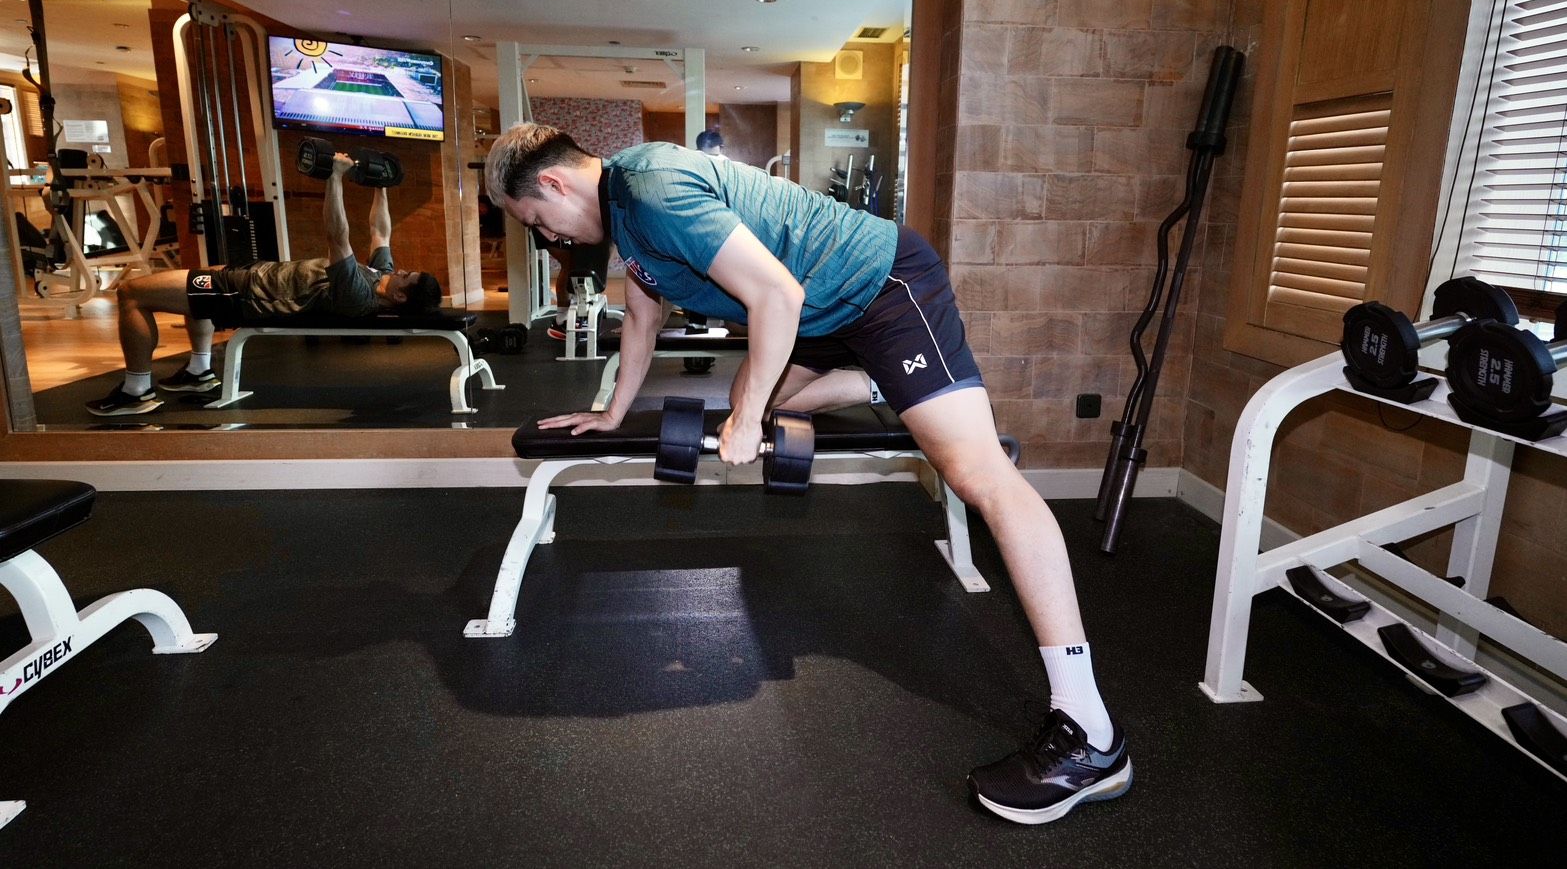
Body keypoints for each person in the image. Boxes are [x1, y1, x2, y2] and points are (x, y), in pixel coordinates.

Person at [483, 123, 1131, 826]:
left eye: (536, 220)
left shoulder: (651, 189)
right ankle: (890, 384)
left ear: (552, 183)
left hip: (881, 287)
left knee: (979, 476)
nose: (547, 236)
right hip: (820, 317)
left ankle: (1089, 734)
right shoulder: (624, 217)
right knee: (752, 396)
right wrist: (611, 413)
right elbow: (641, 318)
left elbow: (777, 296)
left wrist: (745, 423)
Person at [86, 151, 442, 416]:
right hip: (250, 277)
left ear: (399, 296)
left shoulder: (358, 294)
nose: (401, 269)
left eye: (406, 276)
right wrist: (381, 185)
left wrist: (334, 178)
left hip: (245, 294)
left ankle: (136, 391)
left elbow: (337, 235)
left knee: (131, 293)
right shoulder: (381, 276)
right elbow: (380, 231)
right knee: (193, 282)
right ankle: (198, 371)